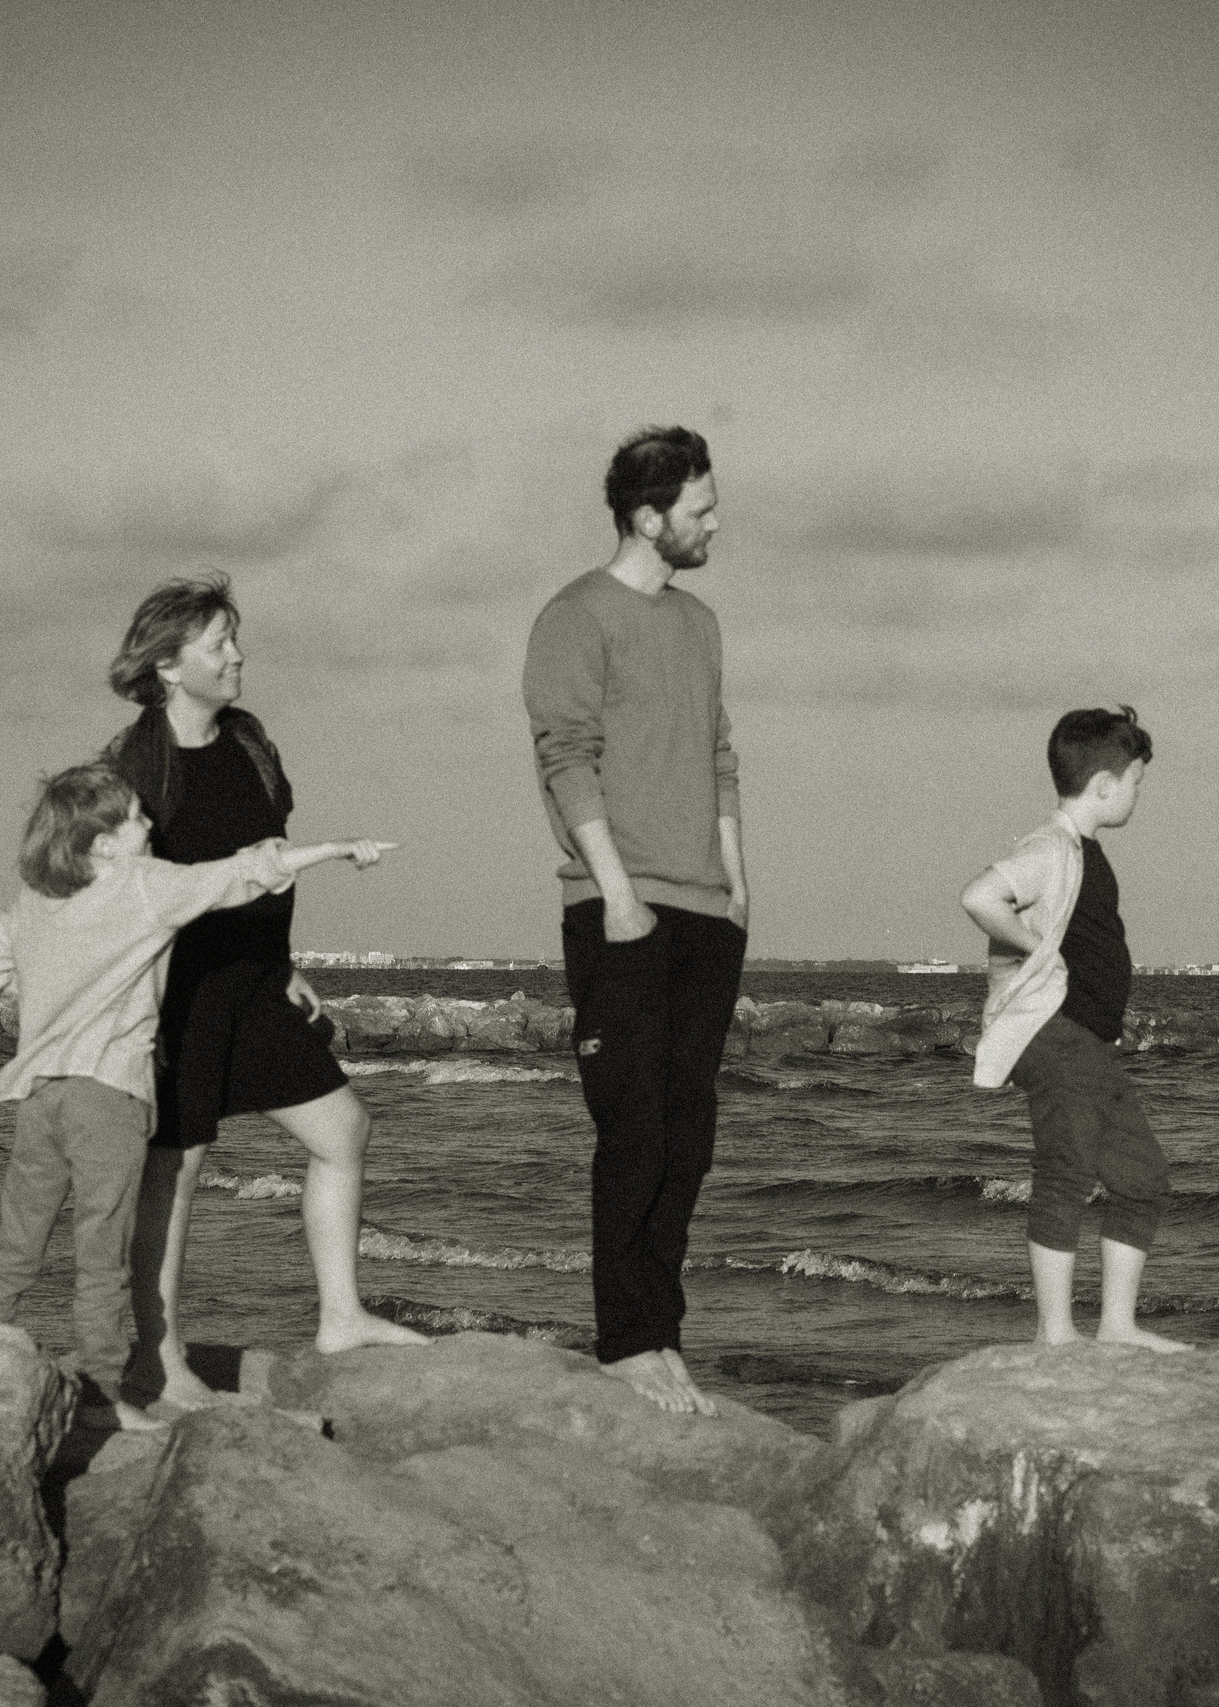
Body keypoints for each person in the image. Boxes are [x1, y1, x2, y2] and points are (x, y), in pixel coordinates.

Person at [0, 760, 397, 1430]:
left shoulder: (40, 900)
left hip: (39, 1095)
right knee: (102, 1254)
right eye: (136, 817)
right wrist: (337, 849)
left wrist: (43, 1004)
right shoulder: (141, 885)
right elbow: (239, 874)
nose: (149, 824)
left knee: (19, 1239)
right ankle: (108, 1399)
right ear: (105, 842)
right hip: (106, 1099)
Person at [102, 576, 428, 1412]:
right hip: (181, 992)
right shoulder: (134, 766)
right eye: (219, 645)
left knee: (344, 1129)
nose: (238, 656)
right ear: (170, 665)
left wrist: (281, 961)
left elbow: (267, 855)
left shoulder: (247, 739)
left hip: (254, 981)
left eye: (234, 640)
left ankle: (342, 1316)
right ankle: (159, 1360)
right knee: (175, 1169)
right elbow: (123, 897)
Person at [521, 425, 749, 1417]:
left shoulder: (699, 624)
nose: (714, 523)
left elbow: (721, 758)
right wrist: (615, 894)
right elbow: (564, 758)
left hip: (707, 911)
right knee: (634, 1135)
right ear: (647, 517)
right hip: (619, 909)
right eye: (699, 510)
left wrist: (738, 888)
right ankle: (625, 1345)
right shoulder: (574, 617)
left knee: (688, 1141)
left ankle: (663, 1335)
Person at [960, 705, 1187, 1352]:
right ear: (1106, 785)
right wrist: (1033, 945)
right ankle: (1054, 1332)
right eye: (1137, 782)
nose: (1139, 794)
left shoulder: (1083, 849)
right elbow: (980, 896)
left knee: (1142, 1176)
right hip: (1054, 1036)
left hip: (1088, 1044)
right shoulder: (1051, 847)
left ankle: (1116, 1326)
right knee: (1066, 1168)